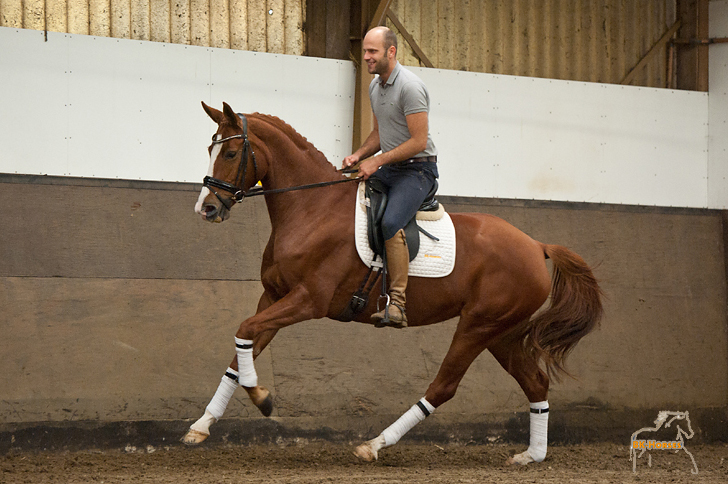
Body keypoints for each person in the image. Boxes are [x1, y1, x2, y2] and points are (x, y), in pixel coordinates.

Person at [343, 26, 438, 328]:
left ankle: (397, 303)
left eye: (372, 51)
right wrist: (359, 155)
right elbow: (379, 134)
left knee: (390, 221)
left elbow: (418, 141)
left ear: (391, 51)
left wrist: (377, 161)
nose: (366, 56)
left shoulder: (410, 87)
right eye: (365, 51)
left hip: (418, 170)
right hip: (392, 168)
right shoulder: (375, 86)